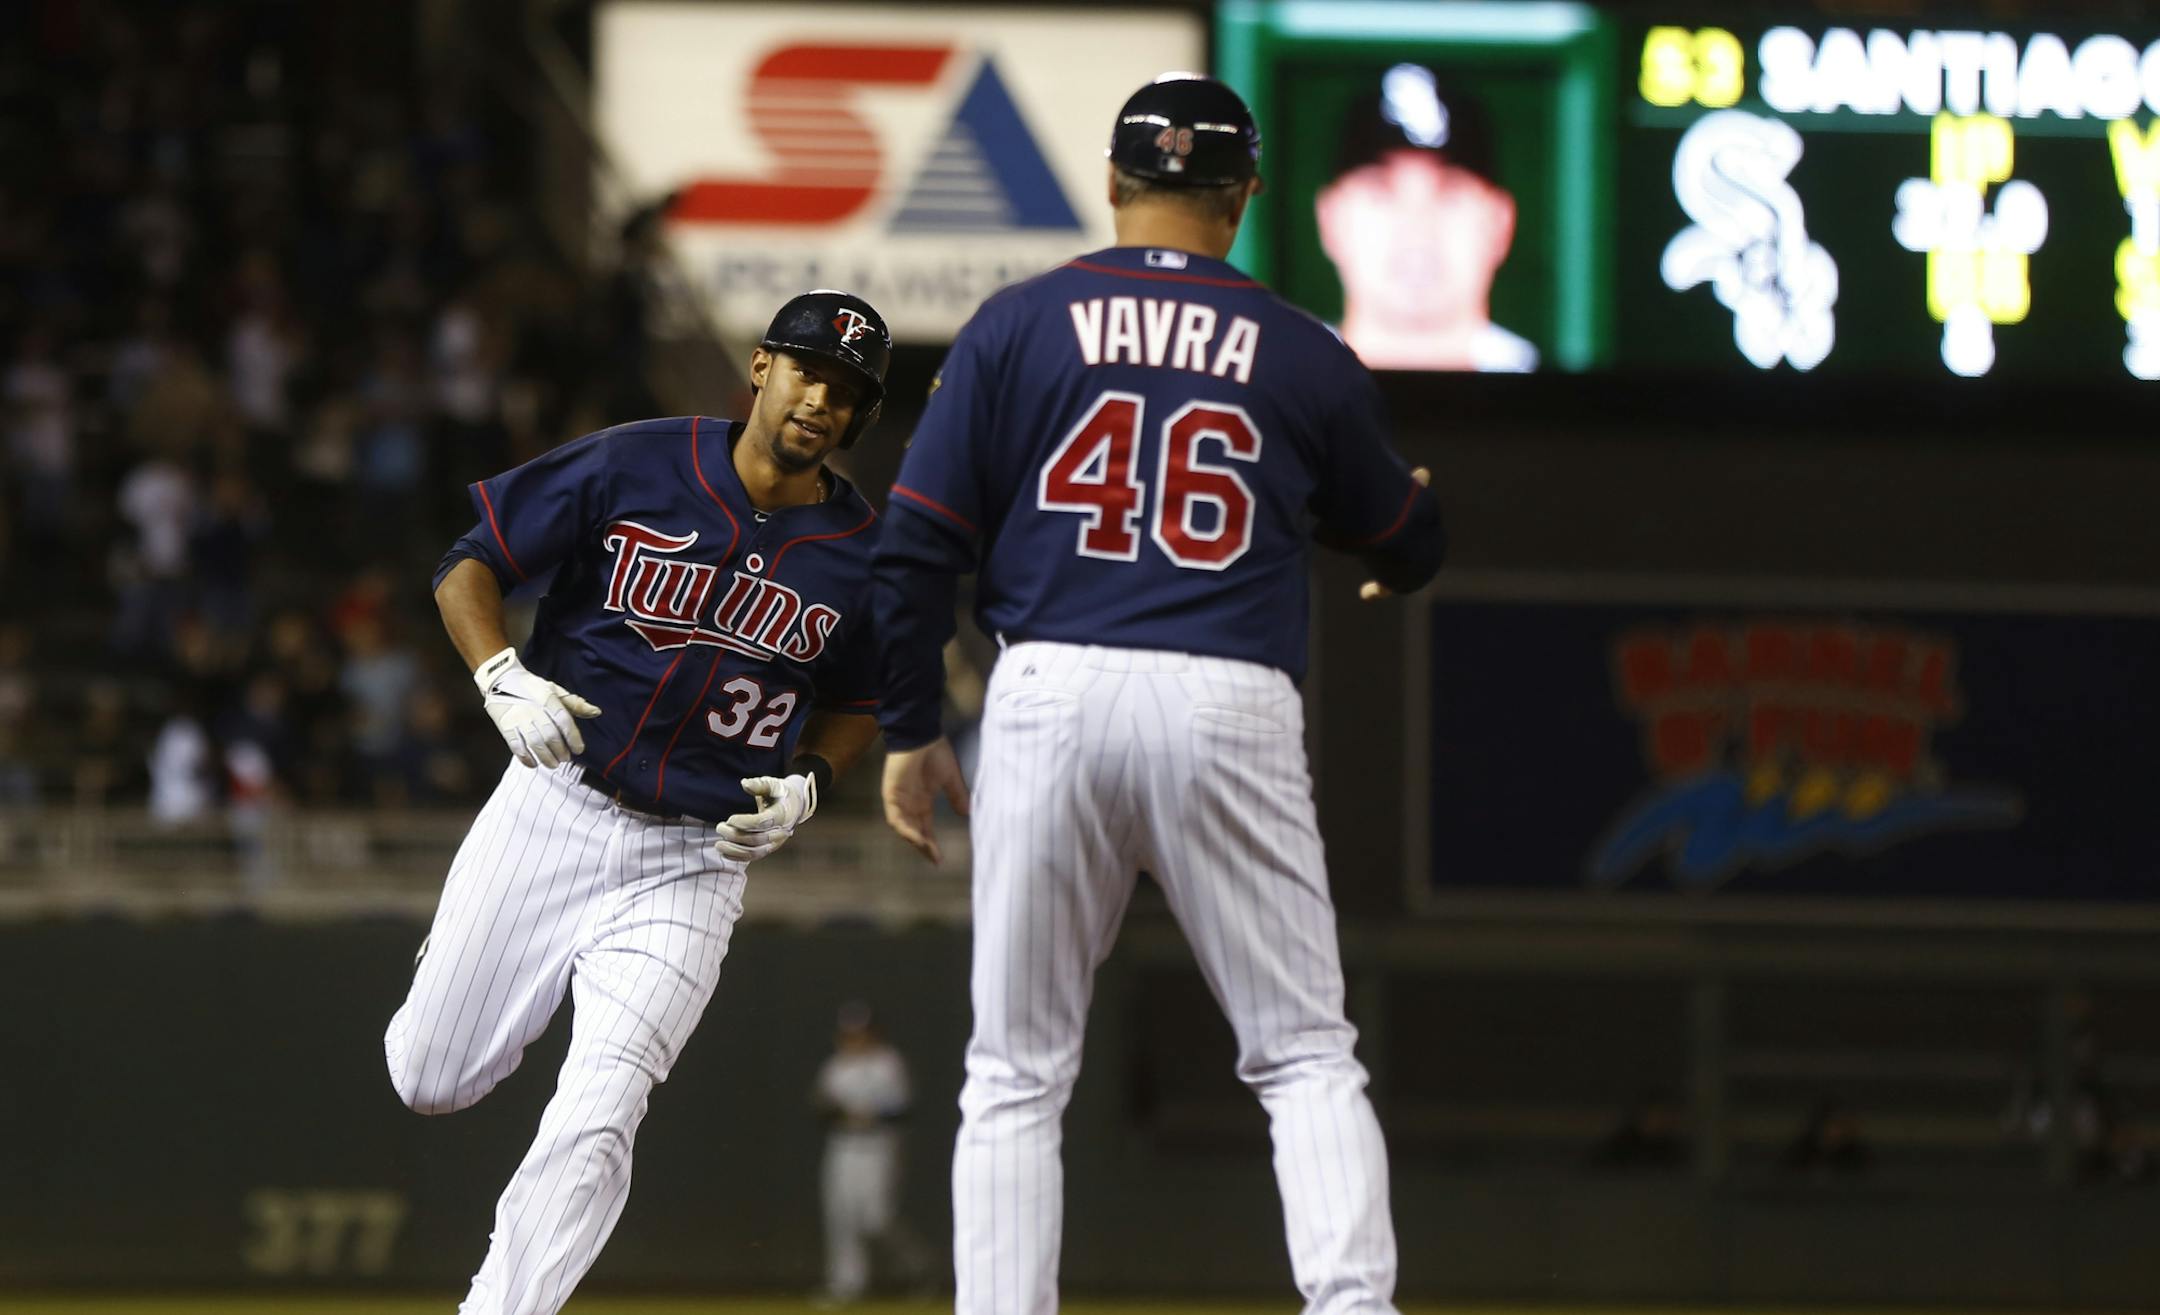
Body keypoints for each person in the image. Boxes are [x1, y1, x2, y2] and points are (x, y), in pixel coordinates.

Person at [872, 73, 1445, 1315]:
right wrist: (1403, 540)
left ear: (1117, 184)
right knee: (1302, 1053)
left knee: (1016, 1071)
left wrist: (912, 726)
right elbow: (1404, 533)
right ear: (1241, 201)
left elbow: (915, 545)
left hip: (1051, 688)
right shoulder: (1304, 348)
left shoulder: (1016, 326)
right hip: (1227, 697)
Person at [382, 289, 893, 1315]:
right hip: (555, 804)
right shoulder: (638, 461)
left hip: (695, 862)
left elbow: (865, 696)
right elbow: (468, 563)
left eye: (846, 391)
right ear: (761, 367)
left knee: (602, 1107)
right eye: (807, 371)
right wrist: (497, 674)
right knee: (430, 1076)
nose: (820, 400)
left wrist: (814, 781)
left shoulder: (865, 553)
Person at [1315, 63, 1538, 373]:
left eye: (1449, 190)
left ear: (1500, 223)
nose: (1416, 227)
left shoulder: (1573, 411)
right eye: (1381, 189)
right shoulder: (1271, 399)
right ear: (1331, 220)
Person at [811, 1001, 931, 1304]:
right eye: (849, 1032)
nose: (854, 1037)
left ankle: (917, 1268)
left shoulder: (887, 1063)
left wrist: (872, 1117)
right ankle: (846, 1285)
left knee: (878, 1218)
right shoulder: (837, 1066)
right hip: (844, 1146)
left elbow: (905, 1110)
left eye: (860, 1031)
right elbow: (820, 1108)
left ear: (873, 1032)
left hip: (879, 1147)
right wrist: (841, 1115)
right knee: (841, 1217)